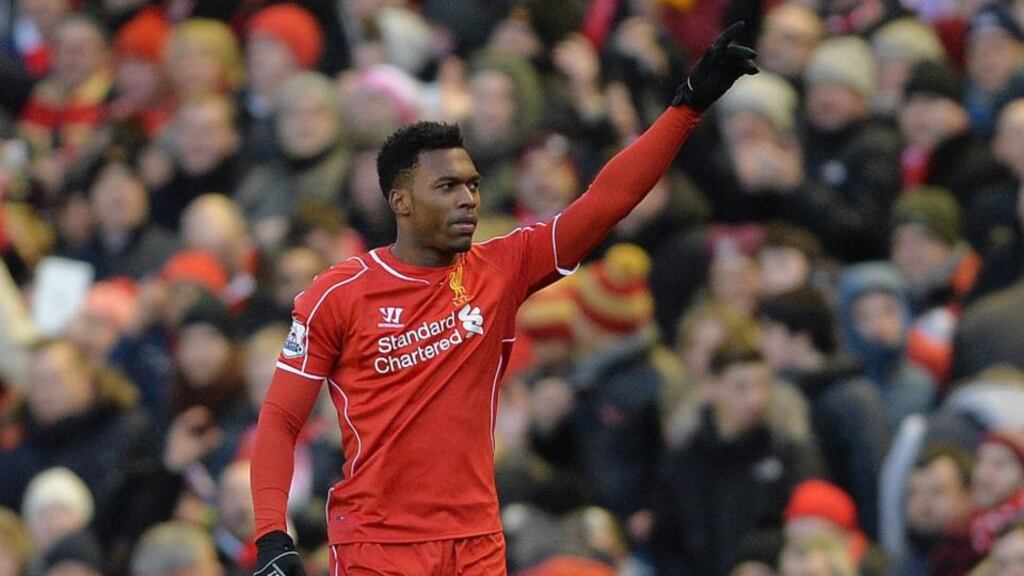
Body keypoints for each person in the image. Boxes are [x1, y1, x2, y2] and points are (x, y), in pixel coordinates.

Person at [249, 22, 758, 576]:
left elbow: (608, 200)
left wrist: (686, 106)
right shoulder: (337, 294)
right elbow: (279, 420)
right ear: (400, 200)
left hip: (477, 545)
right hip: (379, 547)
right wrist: (273, 537)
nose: (468, 199)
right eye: (447, 187)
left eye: (472, 185)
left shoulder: (504, 267)